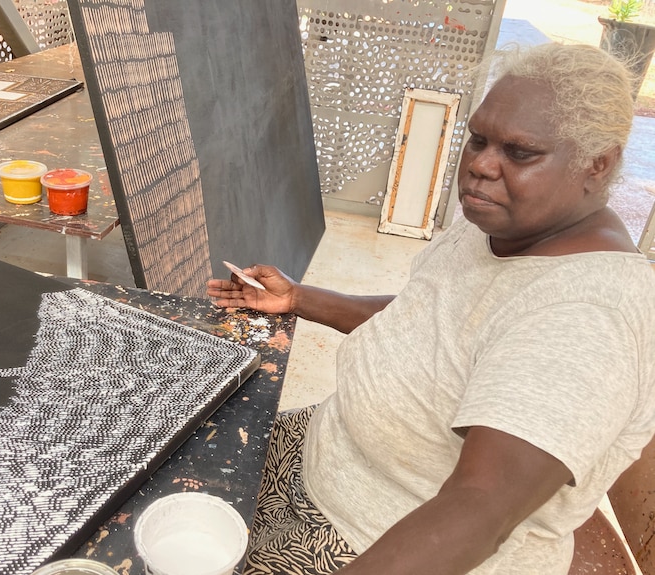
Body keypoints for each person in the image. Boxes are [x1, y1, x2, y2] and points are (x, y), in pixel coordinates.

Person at [207, 42, 655, 575]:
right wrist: (301, 299)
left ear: (595, 166)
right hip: (328, 457)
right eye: (478, 139)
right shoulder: (499, 224)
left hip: (367, 540)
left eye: (520, 153)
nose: (481, 167)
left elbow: (479, 512)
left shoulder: (586, 320)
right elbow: (428, 322)